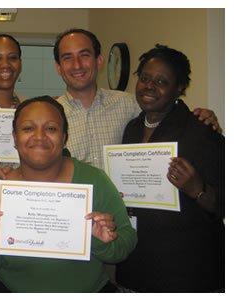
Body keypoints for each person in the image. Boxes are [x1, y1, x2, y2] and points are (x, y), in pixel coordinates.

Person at [0, 96, 137, 292]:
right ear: (14, 137)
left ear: (64, 137)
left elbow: (125, 244)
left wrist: (103, 241)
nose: (39, 136)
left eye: (51, 129)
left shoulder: (94, 180)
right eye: (28, 128)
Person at [115, 45, 224, 292]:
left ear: (179, 89)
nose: (149, 86)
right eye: (144, 78)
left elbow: (224, 203)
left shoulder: (201, 131)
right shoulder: (132, 128)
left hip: (186, 271)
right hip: (138, 263)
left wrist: (198, 189)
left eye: (162, 81)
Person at [53, 28, 221, 171]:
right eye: (67, 58)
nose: (77, 65)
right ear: (58, 67)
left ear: (99, 61)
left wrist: (202, 118)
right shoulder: (51, 115)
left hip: (123, 209)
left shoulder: (131, 104)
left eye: (84, 55)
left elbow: (168, 112)